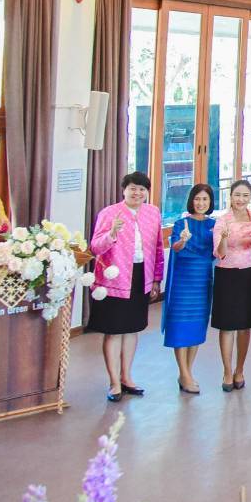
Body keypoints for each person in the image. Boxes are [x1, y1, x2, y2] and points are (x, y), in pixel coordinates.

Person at [87, 172, 165, 402]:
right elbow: (95, 247)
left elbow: (158, 247)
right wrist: (111, 233)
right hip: (114, 279)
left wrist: (156, 279)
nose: (137, 193)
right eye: (133, 188)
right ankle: (114, 383)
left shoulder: (153, 212)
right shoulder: (109, 213)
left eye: (142, 189)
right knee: (114, 331)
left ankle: (127, 377)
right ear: (124, 190)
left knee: (132, 329)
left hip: (141, 275)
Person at [163, 182, 215, 395]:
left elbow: (219, 251)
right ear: (191, 201)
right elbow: (175, 247)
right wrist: (183, 241)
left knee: (196, 326)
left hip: (203, 280)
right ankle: (183, 373)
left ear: (210, 202)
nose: (201, 203)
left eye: (205, 199)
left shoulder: (214, 225)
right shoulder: (180, 223)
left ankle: (187, 372)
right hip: (183, 281)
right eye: (197, 199)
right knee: (180, 325)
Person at [212, 181, 251, 392]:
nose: (241, 199)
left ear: (250, 197)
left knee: (244, 325)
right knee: (227, 325)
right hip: (227, 274)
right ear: (230, 197)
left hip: (250, 273)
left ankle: (239, 369)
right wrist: (224, 238)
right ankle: (226, 370)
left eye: (245, 195)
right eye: (237, 195)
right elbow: (220, 253)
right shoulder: (222, 221)